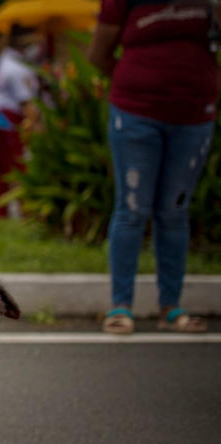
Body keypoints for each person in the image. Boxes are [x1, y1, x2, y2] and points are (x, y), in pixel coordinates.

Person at [88, 0, 220, 334]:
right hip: (135, 114)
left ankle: (171, 307)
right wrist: (137, 84)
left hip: (193, 116)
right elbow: (98, 53)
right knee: (132, 209)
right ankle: (121, 305)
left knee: (175, 211)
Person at [0, 24, 40, 218]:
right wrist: (35, 125)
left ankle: (1, 211)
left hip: (0, 117)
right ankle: (25, 210)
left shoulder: (4, 60)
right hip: (12, 118)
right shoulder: (18, 67)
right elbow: (25, 102)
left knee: (2, 168)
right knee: (18, 166)